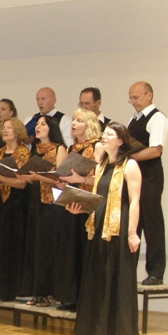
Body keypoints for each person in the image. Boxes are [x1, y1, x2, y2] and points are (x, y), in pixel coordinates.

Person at [67, 122, 142, 335]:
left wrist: (132, 233)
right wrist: (80, 208)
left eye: (109, 134)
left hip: (120, 229)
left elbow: (135, 201)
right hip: (99, 227)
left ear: (120, 140)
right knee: (99, 278)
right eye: (104, 134)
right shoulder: (101, 165)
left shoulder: (130, 165)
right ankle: (99, 330)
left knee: (121, 278)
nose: (104, 137)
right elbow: (98, 199)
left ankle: (125, 331)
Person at [18, 115, 70, 306]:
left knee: (49, 246)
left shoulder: (59, 148)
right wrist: (27, 177)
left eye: (43, 124)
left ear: (51, 128)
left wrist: (39, 177)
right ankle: (37, 292)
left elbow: (61, 180)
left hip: (52, 203)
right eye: (37, 124)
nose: (38, 127)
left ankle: (49, 292)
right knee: (36, 245)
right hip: (35, 200)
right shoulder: (35, 149)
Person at [55, 109, 103, 311]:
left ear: (89, 125)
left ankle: (87, 300)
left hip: (88, 204)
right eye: (73, 120)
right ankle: (73, 297)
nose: (74, 123)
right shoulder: (72, 147)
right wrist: (63, 182)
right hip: (72, 201)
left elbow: (102, 179)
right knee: (71, 250)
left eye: (79, 120)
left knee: (86, 250)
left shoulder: (97, 146)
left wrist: (80, 179)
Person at [0, 118, 31, 301]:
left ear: (17, 132)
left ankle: (9, 289)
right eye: (4, 128)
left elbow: (22, 183)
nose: (5, 130)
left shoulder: (24, 153)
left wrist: (0, 178)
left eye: (9, 128)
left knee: (11, 245)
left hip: (15, 203)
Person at [128, 81, 168, 286]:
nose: (133, 102)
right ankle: (128, 271)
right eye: (131, 99)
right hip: (134, 177)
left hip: (150, 176)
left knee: (152, 224)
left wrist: (129, 158)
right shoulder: (133, 120)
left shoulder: (157, 117)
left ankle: (156, 272)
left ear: (149, 95)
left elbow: (155, 150)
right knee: (133, 223)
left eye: (136, 97)